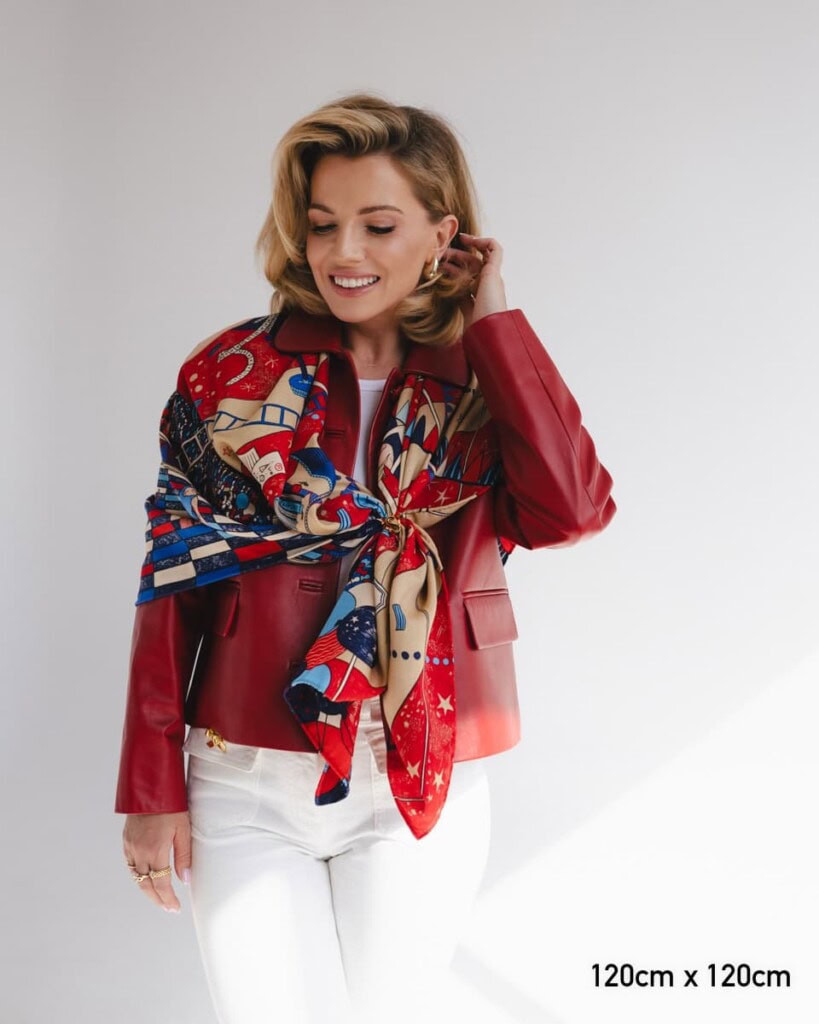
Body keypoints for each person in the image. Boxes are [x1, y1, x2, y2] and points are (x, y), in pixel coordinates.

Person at [115, 92, 616, 1024]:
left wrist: (495, 323)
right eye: (321, 225)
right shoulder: (231, 374)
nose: (343, 253)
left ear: (442, 235)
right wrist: (150, 788)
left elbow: (571, 511)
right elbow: (172, 578)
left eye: (378, 226)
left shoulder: (483, 378)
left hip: (420, 775)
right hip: (242, 780)